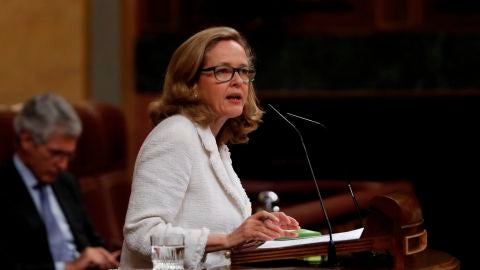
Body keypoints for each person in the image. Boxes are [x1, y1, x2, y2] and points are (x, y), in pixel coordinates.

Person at [120, 26, 300, 269]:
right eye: (223, 71)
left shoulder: (215, 143)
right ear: (191, 83)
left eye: (243, 71)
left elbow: (217, 249)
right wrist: (227, 239)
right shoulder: (175, 135)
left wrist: (258, 234)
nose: (238, 81)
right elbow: (141, 237)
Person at [0, 93, 120, 270]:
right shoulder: (4, 187)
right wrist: (68, 267)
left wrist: (109, 256)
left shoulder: (65, 182)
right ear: (26, 140)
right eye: (56, 154)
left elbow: (89, 239)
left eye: (69, 156)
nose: (63, 165)